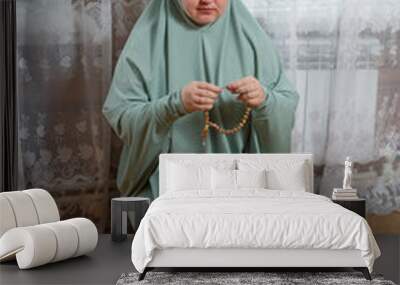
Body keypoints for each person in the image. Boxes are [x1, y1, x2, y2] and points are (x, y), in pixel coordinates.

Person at [103, 0, 299, 199]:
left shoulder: (251, 38)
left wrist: (265, 100)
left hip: (241, 189)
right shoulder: (148, 38)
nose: (207, 0)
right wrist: (173, 106)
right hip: (164, 190)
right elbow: (122, 114)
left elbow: (286, 104)